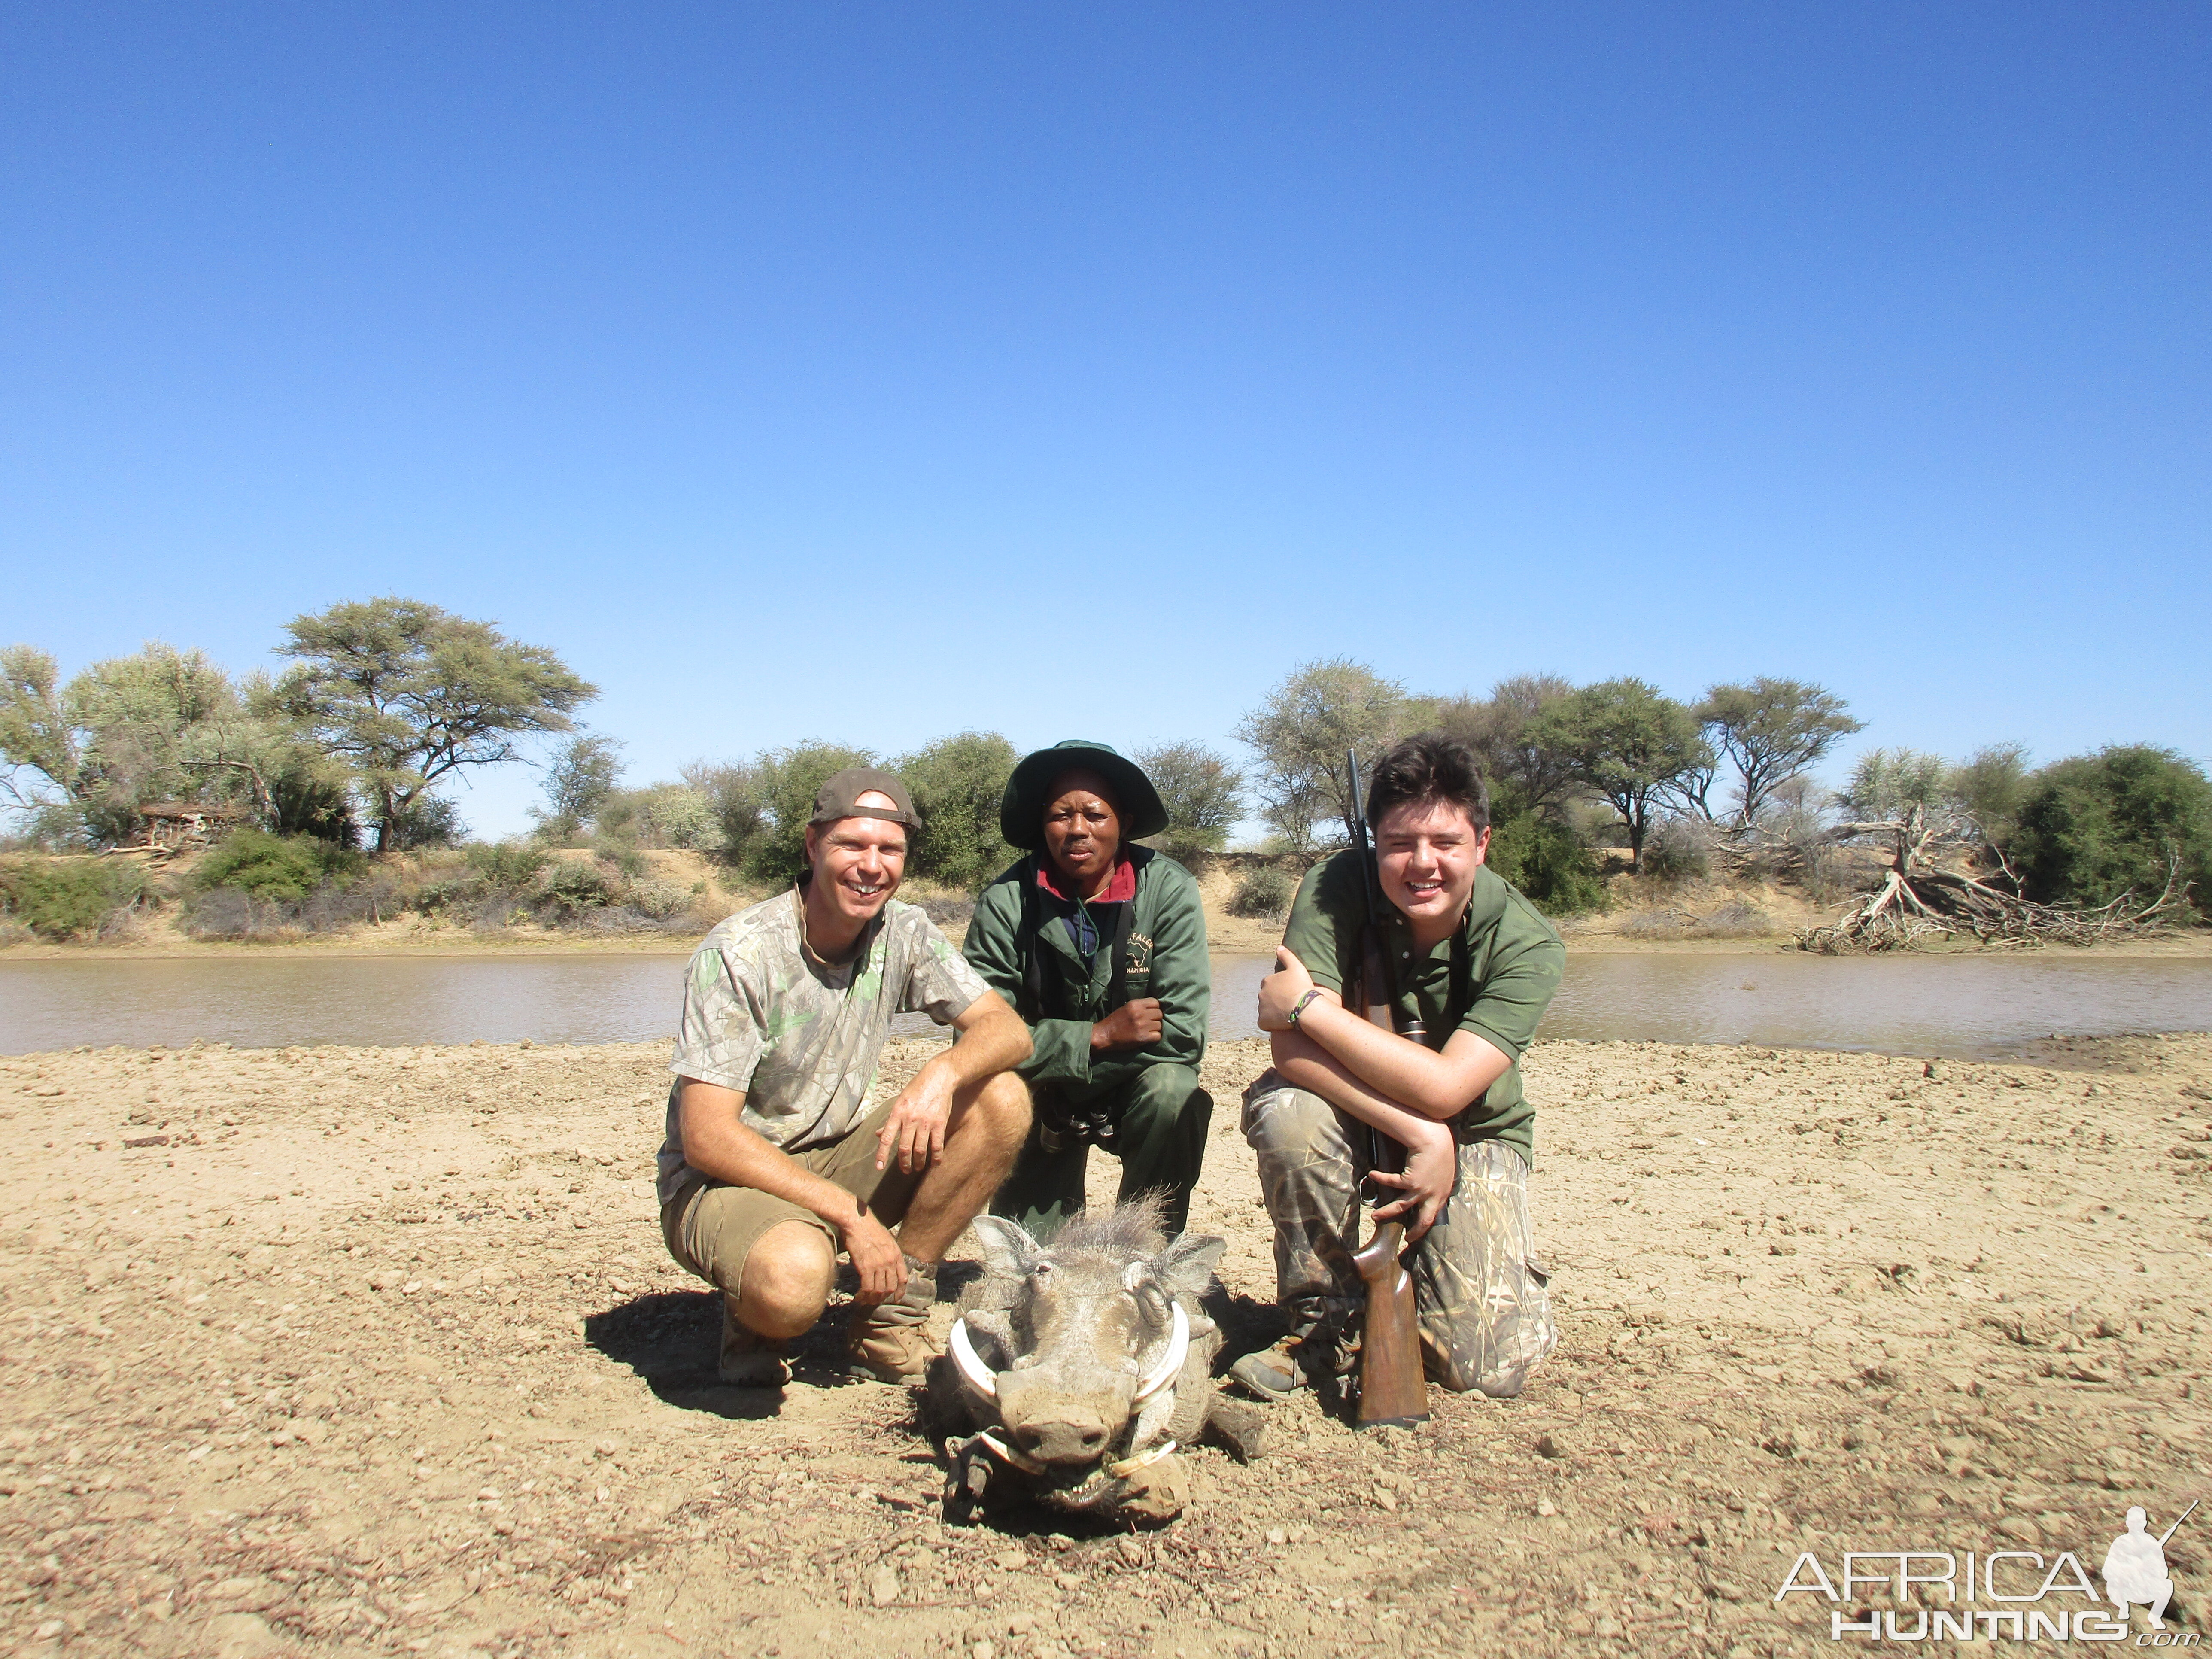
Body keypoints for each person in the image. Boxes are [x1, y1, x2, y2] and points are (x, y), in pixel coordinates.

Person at [657, 766, 1033, 1387]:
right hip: (724, 1180)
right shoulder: (739, 952)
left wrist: (940, 1074)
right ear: (812, 846)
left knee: (1002, 1098)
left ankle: (888, 1319)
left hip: (833, 1155)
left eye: (890, 850)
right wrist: (854, 1219)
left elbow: (1007, 1030)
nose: (871, 866)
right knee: (794, 1284)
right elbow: (706, 1138)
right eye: (852, 845)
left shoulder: (904, 931)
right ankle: (752, 1316)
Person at [1233, 732, 1563, 1404]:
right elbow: (1287, 1052)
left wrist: (1308, 1010)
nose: (1421, 864)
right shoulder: (1335, 885)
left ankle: (1473, 1285)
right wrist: (1419, 1133)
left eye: (1445, 843)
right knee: (1288, 1115)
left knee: (1482, 1370)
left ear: (1483, 843)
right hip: (1357, 1110)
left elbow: (1446, 1089)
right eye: (1398, 844)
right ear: (1374, 842)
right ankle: (1321, 1327)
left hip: (1475, 1133)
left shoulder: (1527, 942)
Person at [962, 740, 1213, 1237]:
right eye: (1061, 815)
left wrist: (1049, 1048)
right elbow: (976, 1040)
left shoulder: (1169, 889)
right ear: (1042, 824)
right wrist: (1094, 1037)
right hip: (1041, 1089)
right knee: (1036, 1262)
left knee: (1174, 1091)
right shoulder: (1005, 900)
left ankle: (1145, 1251)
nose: (1077, 829)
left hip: (1131, 1083)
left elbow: (1183, 1037)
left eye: (1095, 815)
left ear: (1123, 820)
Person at [2102, 1507, 2176, 1629]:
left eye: (2139, 1522)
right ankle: (2123, 1609)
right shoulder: (2120, 1542)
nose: (2136, 1526)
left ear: (2145, 1523)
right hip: (2124, 1587)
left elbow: (2163, 1571)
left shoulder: (2151, 1543)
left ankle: (2155, 1616)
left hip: (2145, 1586)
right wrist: (2128, 1565)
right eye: (2133, 1522)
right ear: (2127, 1523)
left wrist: (2148, 1567)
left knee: (2168, 1585)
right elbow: (2108, 1570)